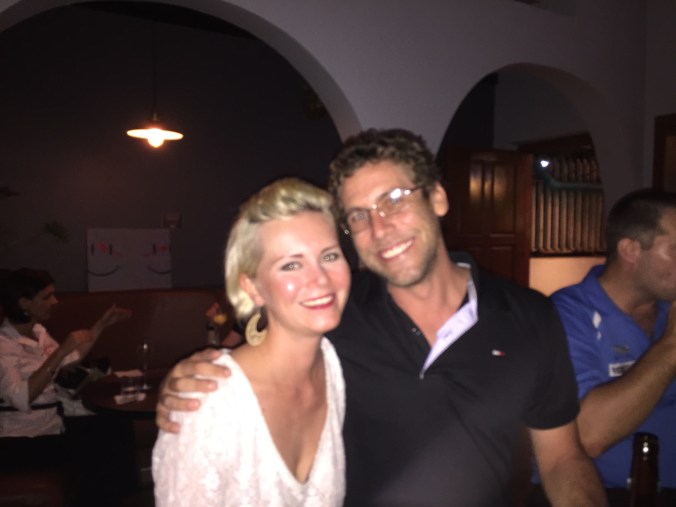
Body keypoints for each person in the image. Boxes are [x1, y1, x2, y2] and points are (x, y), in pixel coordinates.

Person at [156, 129, 606, 506]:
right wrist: (190, 378)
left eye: (394, 199)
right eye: (359, 215)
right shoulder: (335, 313)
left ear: (438, 197)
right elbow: (261, 355)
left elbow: (562, 459)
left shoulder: (529, 316)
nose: (379, 227)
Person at [152, 178, 350, 506]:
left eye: (329, 256)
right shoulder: (210, 402)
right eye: (291, 264)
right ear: (253, 288)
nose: (320, 279)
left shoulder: (333, 367)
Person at [544, 188, 676, 505]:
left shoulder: (667, 309)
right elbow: (588, 436)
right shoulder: (565, 315)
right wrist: (671, 346)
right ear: (630, 250)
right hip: (606, 495)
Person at [0, 268, 130, 442]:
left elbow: (69, 360)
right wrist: (61, 351)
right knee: (113, 438)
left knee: (120, 425)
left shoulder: (38, 332)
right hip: (22, 436)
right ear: (24, 303)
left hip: (53, 425)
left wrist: (101, 325)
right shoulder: (4, 344)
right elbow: (20, 398)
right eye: (46, 297)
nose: (54, 301)